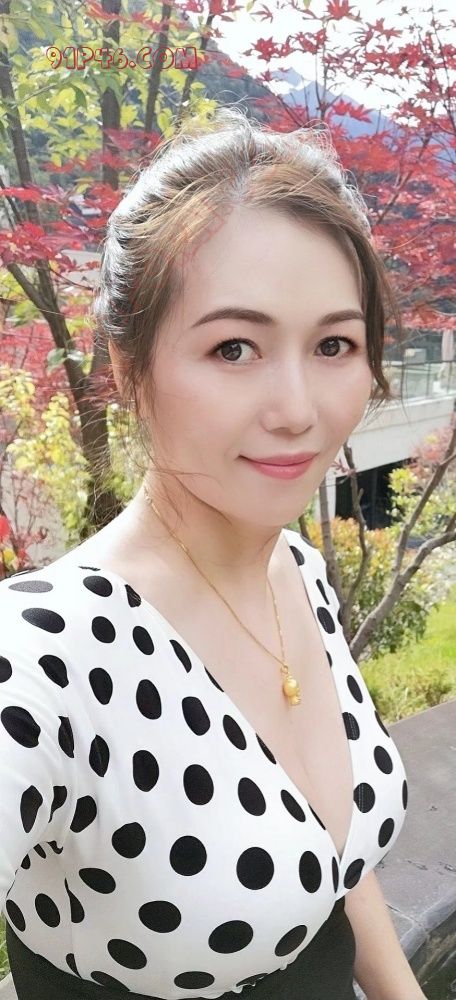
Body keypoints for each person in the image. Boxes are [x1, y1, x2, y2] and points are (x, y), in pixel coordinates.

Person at [0, 107, 427, 1000]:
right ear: (131, 368)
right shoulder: (42, 655)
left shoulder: (294, 573)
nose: (298, 409)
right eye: (234, 347)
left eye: (335, 344)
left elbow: (333, 863)